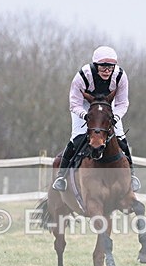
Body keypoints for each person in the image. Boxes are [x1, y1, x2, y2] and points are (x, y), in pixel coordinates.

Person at [52, 45, 140, 192]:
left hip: (108, 108)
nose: (107, 71)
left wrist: (115, 117)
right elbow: (74, 104)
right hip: (85, 107)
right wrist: (85, 116)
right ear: (95, 65)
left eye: (110, 67)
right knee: (77, 138)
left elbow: (122, 103)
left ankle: (132, 176)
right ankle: (61, 177)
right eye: (103, 67)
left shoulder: (120, 76)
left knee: (121, 138)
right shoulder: (83, 76)